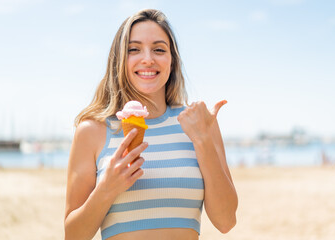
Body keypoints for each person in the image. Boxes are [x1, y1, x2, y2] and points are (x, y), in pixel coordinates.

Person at [64, 9, 238, 240]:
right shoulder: (92, 131)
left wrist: (202, 139)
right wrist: (106, 189)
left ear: (172, 60)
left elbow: (226, 221)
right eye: (133, 49)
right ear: (119, 60)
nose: (148, 58)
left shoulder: (199, 123)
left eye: (159, 49)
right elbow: (73, 236)